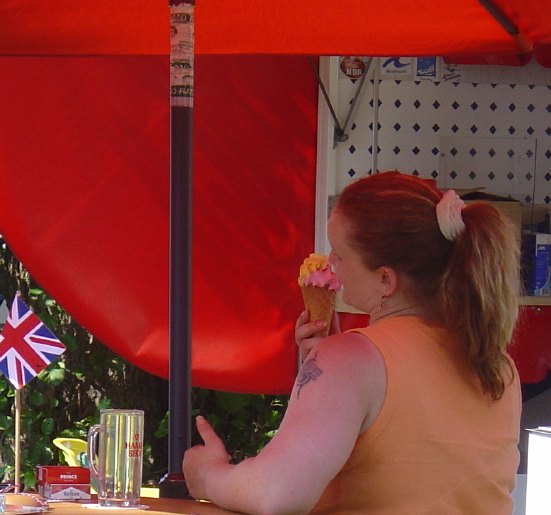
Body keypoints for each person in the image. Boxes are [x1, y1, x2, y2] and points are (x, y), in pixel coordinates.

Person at [183, 171, 522, 515]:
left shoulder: (351, 358)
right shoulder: (499, 365)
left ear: (385, 279)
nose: (330, 261)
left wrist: (208, 474)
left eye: (340, 253)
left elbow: (276, 493)